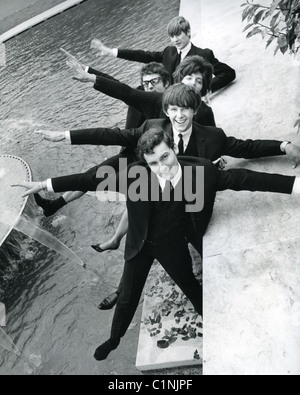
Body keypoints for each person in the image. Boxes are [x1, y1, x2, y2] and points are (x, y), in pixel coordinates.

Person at [13, 128, 300, 361]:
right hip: (139, 244)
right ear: (145, 164)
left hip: (172, 244)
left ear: (173, 148)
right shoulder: (133, 176)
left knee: (189, 285)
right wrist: (45, 185)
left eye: (166, 157)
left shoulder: (201, 173)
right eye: (153, 163)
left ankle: (215, 324)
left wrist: (295, 185)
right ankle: (114, 340)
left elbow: (246, 179)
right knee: (127, 297)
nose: (162, 167)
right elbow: (89, 179)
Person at [32, 83, 300, 221]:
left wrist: (283, 145)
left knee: (242, 179)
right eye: (173, 109)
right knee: (94, 176)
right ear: (166, 110)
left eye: (185, 109)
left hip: (182, 190)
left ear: (195, 111)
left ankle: (295, 186)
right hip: (145, 172)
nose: (179, 115)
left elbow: (247, 147)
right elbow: (111, 134)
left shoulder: (212, 136)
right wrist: (65, 135)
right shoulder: (151, 126)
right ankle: (53, 198)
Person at [61, 49, 216, 127]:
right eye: (145, 83)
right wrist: (87, 71)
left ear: (167, 82)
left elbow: (210, 137)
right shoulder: (145, 95)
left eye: (154, 82)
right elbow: (122, 89)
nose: (149, 87)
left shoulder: (200, 110)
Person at [90, 16, 236, 93]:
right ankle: (89, 72)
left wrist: (205, 90)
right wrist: (111, 52)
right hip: (164, 97)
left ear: (189, 33)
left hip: (184, 101)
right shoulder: (169, 51)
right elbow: (144, 56)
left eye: (178, 34)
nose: (175, 40)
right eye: (172, 36)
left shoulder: (204, 54)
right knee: (131, 91)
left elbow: (228, 73)